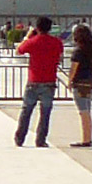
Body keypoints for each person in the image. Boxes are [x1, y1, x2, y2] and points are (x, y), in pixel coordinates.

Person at [17, 14, 66, 147]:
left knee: (26, 111)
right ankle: (40, 140)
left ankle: (20, 138)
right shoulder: (57, 42)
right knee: (45, 113)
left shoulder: (33, 41)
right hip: (49, 81)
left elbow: (19, 50)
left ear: (37, 28)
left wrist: (28, 36)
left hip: (33, 80)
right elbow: (60, 55)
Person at [70, 23, 92, 149]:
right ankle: (88, 138)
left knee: (83, 112)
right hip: (90, 82)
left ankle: (86, 139)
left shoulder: (78, 51)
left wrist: (69, 81)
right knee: (87, 110)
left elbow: (74, 68)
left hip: (80, 83)